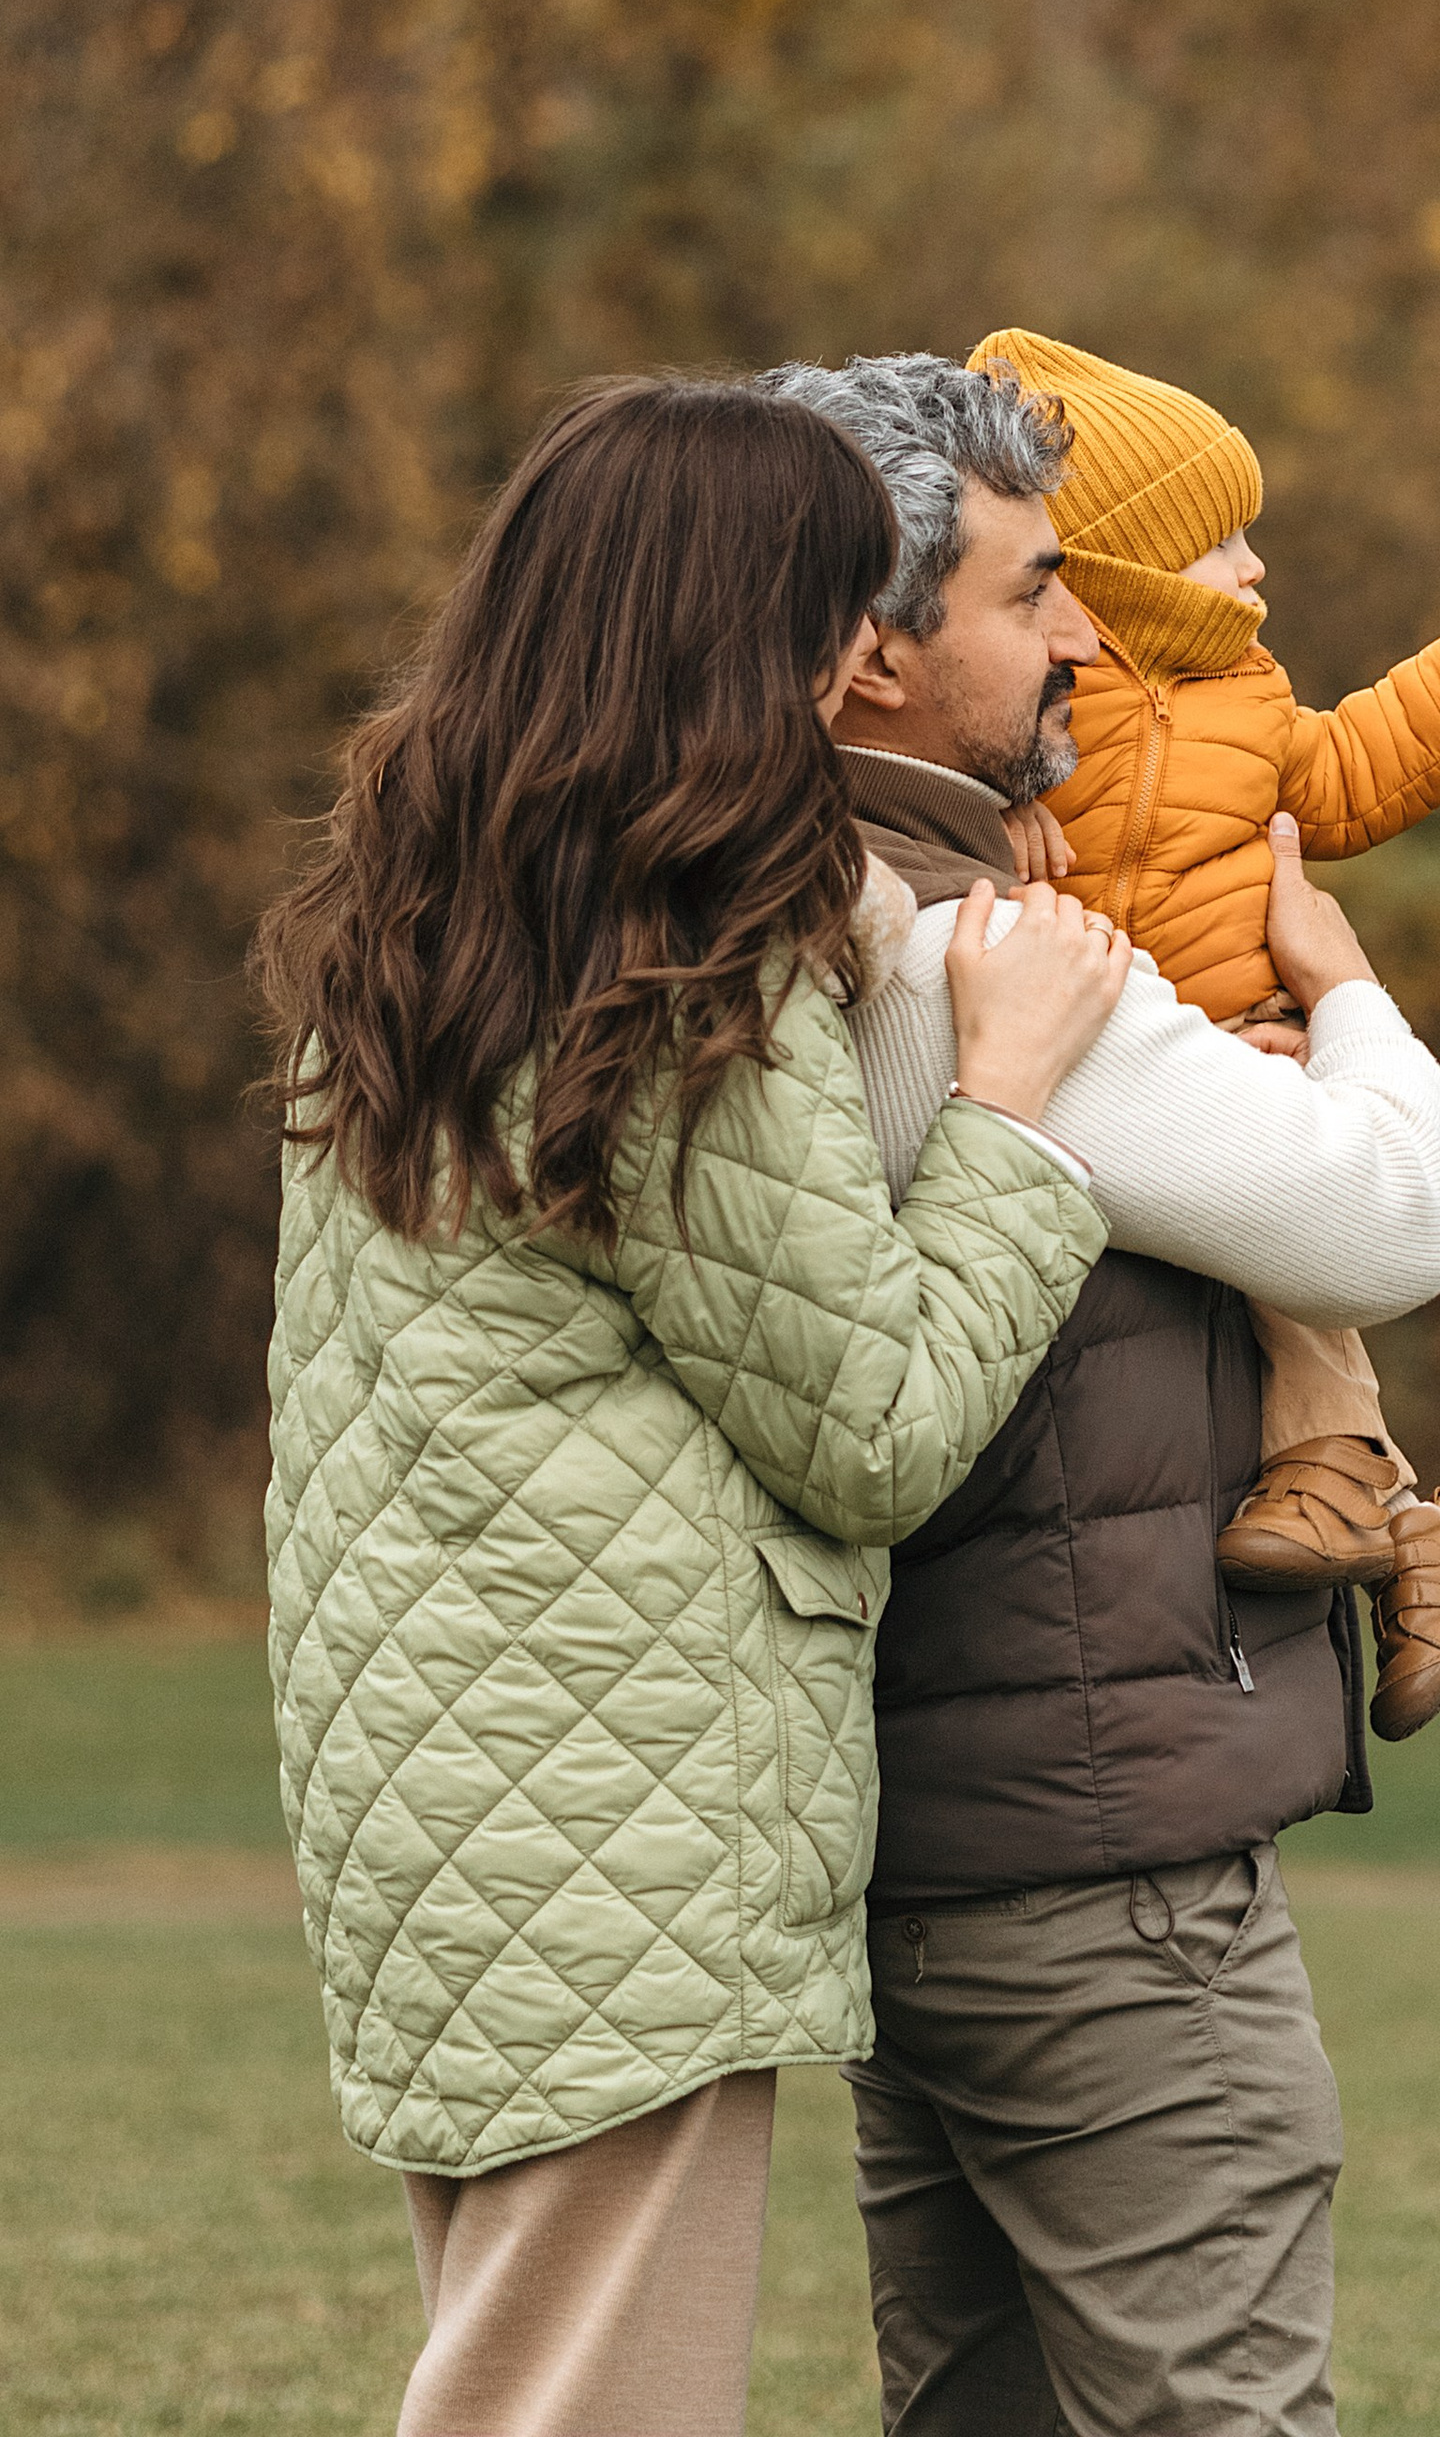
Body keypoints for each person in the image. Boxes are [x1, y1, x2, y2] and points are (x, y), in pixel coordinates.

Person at [257, 374, 1128, 2437]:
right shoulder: (685, 976)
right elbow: (876, 1427)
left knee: (523, 2378)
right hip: (606, 1814)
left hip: (452, 1796)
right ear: (745, 636)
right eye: (835, 612)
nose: (857, 660)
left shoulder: (439, 915)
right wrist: (1008, 1108)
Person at [758, 350, 1440, 2437]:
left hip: (908, 1836)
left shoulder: (765, 899)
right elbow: (1380, 1225)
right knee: (1213, 2410)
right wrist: (1338, 984)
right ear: (868, 651)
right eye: (1028, 589)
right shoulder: (991, 957)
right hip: (1102, 1866)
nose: (1082, 631)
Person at [965, 325, 1440, 1737]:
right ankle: (1414, 1536)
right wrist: (995, 800)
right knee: (1228, 1269)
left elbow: (1343, 773)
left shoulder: (1243, 701)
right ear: (1116, 566)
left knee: (1283, 1259)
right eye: (1221, 544)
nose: (1254, 572)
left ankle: (1343, 1493)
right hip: (1101, 1025)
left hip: (1234, 1017)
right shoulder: (1035, 694)